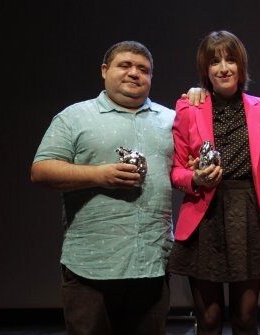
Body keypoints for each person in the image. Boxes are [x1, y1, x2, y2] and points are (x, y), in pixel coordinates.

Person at [30, 41, 175, 335]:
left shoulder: (171, 120)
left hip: (151, 264)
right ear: (104, 71)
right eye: (125, 65)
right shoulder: (74, 117)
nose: (134, 73)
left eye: (143, 69)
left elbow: (187, 170)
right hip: (90, 267)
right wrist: (99, 175)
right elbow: (41, 170)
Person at [168, 30, 260, 335]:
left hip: (249, 214)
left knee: (245, 319)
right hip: (206, 215)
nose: (224, 67)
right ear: (206, 70)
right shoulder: (188, 109)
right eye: (215, 61)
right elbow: (176, 170)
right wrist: (195, 177)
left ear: (241, 66)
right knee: (210, 319)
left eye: (230, 59)